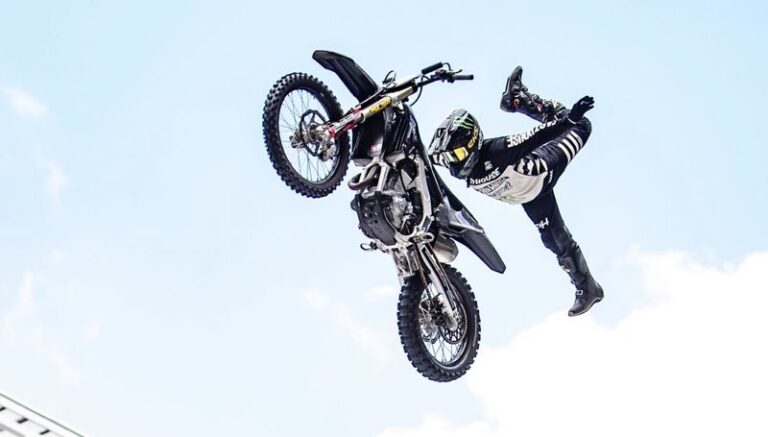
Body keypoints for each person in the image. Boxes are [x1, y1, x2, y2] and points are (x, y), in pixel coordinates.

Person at [428, 67, 603, 316]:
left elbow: (538, 136)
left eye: (457, 154)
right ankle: (589, 288)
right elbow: (425, 156)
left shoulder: (498, 151)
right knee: (553, 239)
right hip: (530, 196)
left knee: (582, 125)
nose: (453, 162)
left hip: (544, 168)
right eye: (449, 157)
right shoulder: (450, 161)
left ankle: (519, 100)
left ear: (473, 142)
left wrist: (570, 119)